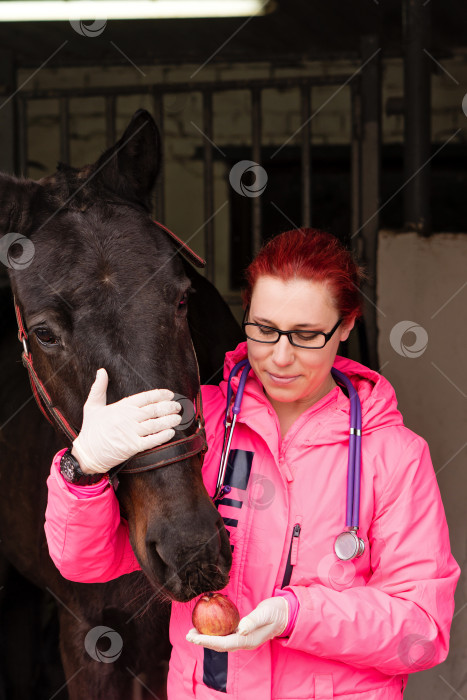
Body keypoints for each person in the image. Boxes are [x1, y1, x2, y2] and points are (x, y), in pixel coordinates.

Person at [45, 228, 460, 700]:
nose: (280, 357)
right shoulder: (193, 423)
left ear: (346, 326)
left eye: (306, 336)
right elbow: (90, 562)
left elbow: (422, 632)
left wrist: (298, 616)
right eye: (263, 330)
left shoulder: (395, 456)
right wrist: (83, 469)